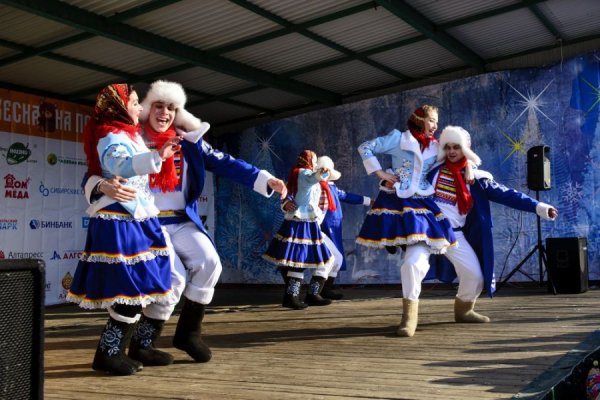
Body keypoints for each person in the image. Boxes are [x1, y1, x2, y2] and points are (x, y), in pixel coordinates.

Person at [84, 80, 288, 365]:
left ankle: (189, 333)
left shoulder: (188, 141)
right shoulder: (130, 135)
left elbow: (226, 162)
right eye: (158, 106)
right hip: (146, 224)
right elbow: (98, 170)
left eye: (171, 108)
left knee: (209, 263)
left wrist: (266, 179)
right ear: (146, 108)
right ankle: (141, 344)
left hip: (181, 221)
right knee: (174, 279)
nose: (164, 112)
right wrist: (102, 185)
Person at [67, 83, 181, 375]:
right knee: (127, 289)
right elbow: (118, 163)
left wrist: (157, 153)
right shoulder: (111, 136)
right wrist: (158, 157)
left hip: (137, 218)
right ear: (118, 107)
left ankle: (128, 348)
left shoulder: (130, 135)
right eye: (133, 102)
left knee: (141, 287)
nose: (139, 108)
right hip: (119, 220)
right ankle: (108, 353)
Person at [427, 125, 558, 322]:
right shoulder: (431, 173)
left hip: (454, 235)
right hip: (426, 232)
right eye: (448, 147)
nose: (452, 151)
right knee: (413, 268)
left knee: (475, 276)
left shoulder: (477, 179)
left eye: (457, 147)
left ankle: (463, 311)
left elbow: (507, 194)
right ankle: (407, 316)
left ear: (466, 148)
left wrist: (538, 206)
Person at [356, 105, 456, 337]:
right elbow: (365, 147)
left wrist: (473, 172)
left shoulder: (437, 145)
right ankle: (408, 315)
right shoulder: (398, 138)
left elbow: (457, 157)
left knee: (415, 259)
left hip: (422, 201)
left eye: (436, 122)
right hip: (397, 200)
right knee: (409, 255)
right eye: (431, 120)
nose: (435, 125)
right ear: (419, 119)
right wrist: (382, 174)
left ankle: (413, 311)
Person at [264, 150, 335, 310]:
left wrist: (319, 174)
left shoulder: (296, 175)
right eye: (315, 160)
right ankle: (292, 297)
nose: (316, 164)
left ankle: (294, 296)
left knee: (299, 260)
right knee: (298, 261)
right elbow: (311, 179)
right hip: (302, 221)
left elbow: (289, 195)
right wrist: (318, 174)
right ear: (310, 161)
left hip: (304, 221)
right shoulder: (304, 173)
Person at [315, 155, 372, 300]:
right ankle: (314, 292)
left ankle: (324, 290)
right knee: (327, 259)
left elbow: (346, 196)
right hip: (321, 228)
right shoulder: (315, 188)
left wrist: (368, 201)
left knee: (337, 259)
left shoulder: (331, 187)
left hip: (335, 227)